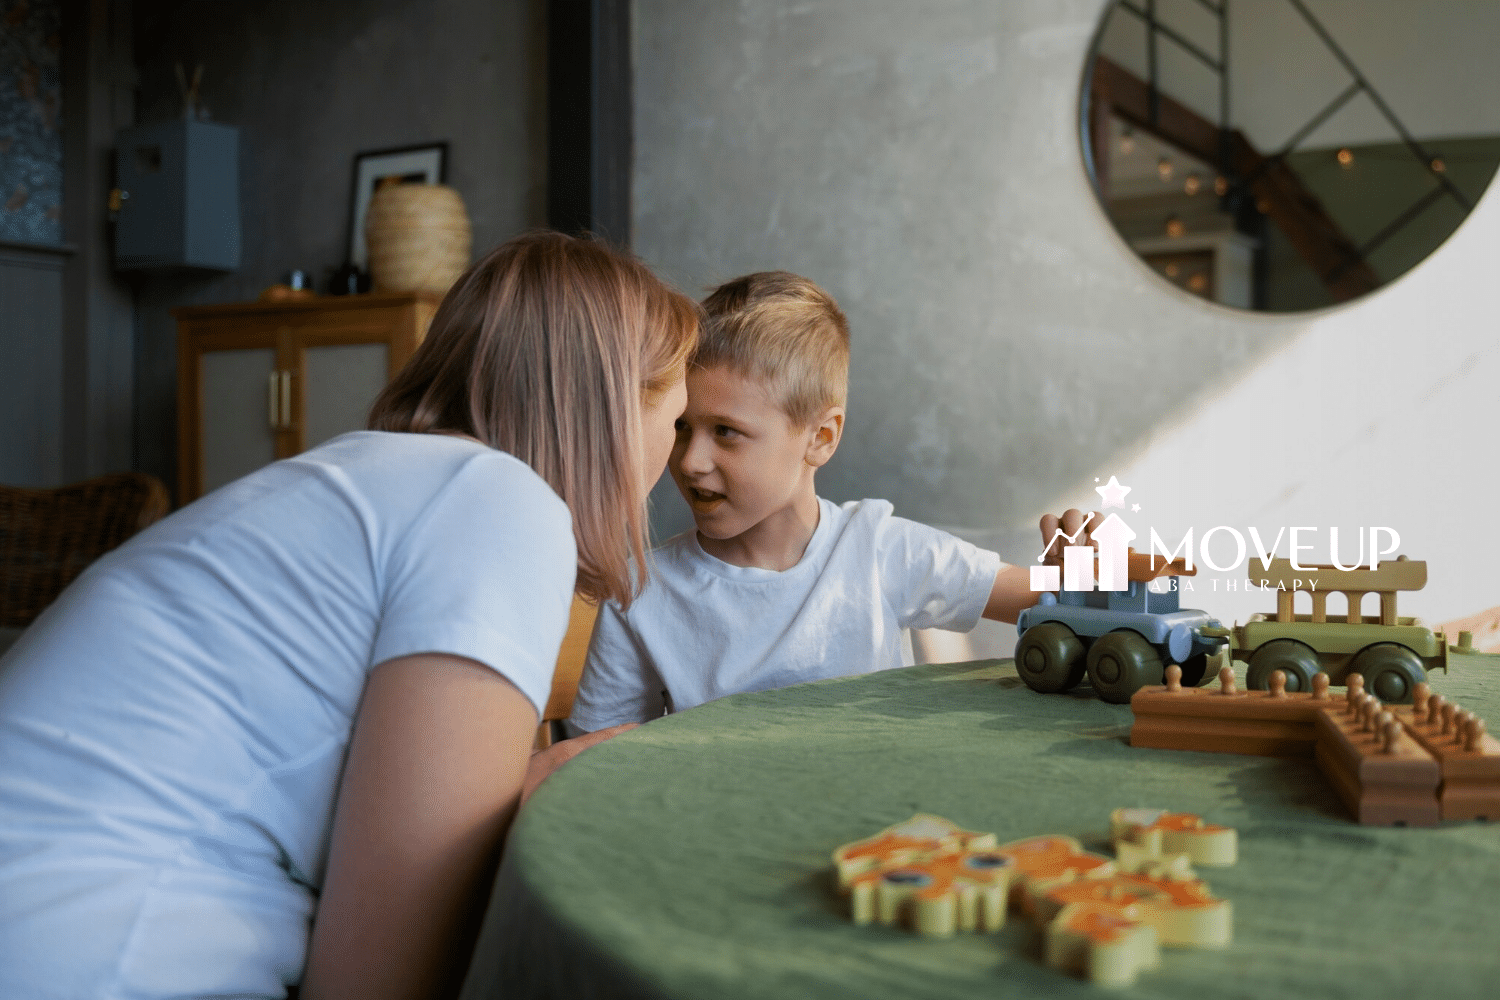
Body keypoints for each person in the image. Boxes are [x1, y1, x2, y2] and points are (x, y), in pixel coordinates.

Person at [0, 231, 699, 1000]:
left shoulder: (357, 478)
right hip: (89, 953)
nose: (681, 459)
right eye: (677, 421)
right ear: (609, 410)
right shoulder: (498, 502)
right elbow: (377, 979)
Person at [568, 270, 1040, 732]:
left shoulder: (878, 549)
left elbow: (1047, 596)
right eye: (680, 427)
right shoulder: (637, 592)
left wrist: (1086, 558)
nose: (691, 461)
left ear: (821, 437)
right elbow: (597, 763)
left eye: (725, 432)